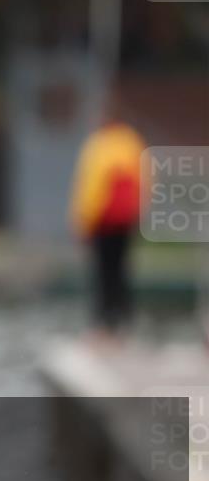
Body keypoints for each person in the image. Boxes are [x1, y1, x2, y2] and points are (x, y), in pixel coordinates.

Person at [69, 98, 146, 342]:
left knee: (103, 273)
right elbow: (146, 181)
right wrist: (140, 213)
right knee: (121, 271)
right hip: (126, 221)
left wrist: (82, 221)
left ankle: (104, 325)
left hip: (103, 223)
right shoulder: (132, 142)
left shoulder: (98, 145)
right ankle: (125, 322)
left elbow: (92, 189)